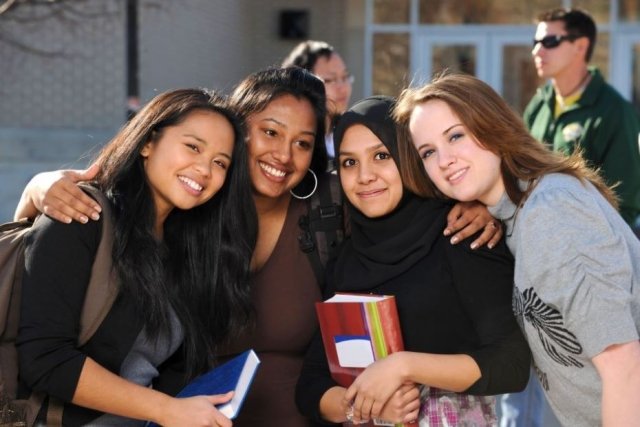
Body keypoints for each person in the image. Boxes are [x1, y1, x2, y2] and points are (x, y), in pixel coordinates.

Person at [14, 68, 502, 426]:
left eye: (303, 142)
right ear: (241, 129)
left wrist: (477, 207)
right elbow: (53, 286)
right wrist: (41, 187)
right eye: (269, 132)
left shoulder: (331, 211)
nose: (282, 155)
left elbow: (395, 189)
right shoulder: (189, 214)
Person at [394, 72, 640, 426]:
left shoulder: (551, 209)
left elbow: (623, 364)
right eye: (428, 152)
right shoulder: (518, 215)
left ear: (492, 126)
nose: (444, 159)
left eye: (456, 136)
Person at [17, 88, 257, 426]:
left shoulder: (188, 250)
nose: (204, 169)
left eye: (220, 163)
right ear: (147, 143)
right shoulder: (83, 216)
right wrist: (165, 409)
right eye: (193, 146)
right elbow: (45, 358)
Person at [295, 96, 531, 426]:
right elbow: (312, 385)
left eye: (381, 156)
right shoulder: (346, 260)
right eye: (349, 163)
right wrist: (364, 407)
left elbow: (512, 365)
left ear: (408, 159)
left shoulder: (461, 234)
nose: (364, 176)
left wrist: (402, 367)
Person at [525, 7, 640, 227]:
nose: (537, 52)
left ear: (581, 46)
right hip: (535, 234)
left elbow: (625, 203)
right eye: (536, 42)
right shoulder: (538, 105)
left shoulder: (615, 111)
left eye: (550, 41)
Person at [282, 40, 354, 165]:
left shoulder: (351, 135)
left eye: (345, 77)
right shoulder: (292, 146)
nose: (343, 87)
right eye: (330, 80)